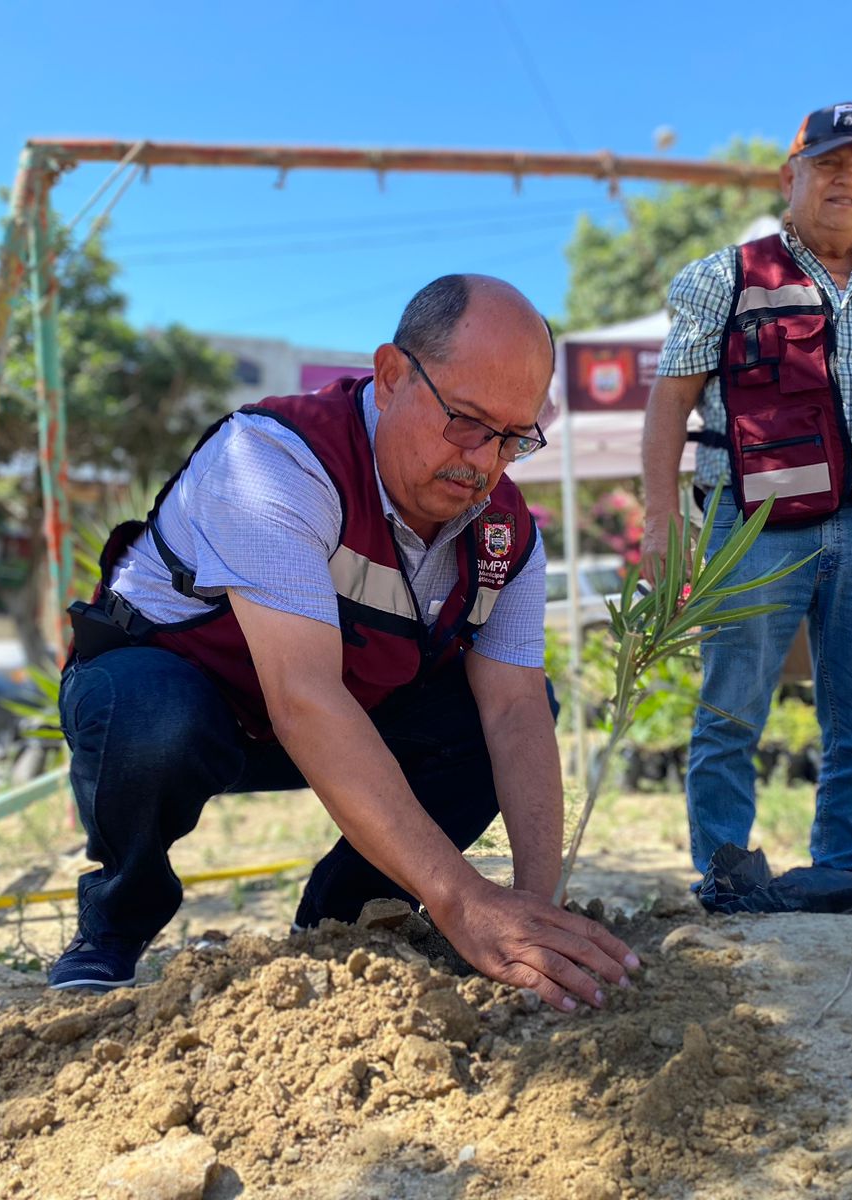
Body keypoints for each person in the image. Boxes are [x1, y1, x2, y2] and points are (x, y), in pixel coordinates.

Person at [51, 274, 638, 1009]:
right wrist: (463, 902)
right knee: (150, 719)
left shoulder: (505, 535)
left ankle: (345, 922)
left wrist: (538, 905)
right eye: (465, 421)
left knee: (501, 715)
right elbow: (303, 697)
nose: (483, 463)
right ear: (391, 376)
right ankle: (113, 924)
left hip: (336, 716)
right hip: (189, 696)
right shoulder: (273, 461)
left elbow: (515, 710)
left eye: (514, 438)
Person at [640, 102, 852, 911]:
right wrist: (660, 520)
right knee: (730, 712)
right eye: (829, 166)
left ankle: (846, 875)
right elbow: (667, 403)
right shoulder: (726, 274)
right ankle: (726, 878)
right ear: (792, 177)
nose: (847, 182)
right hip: (748, 527)